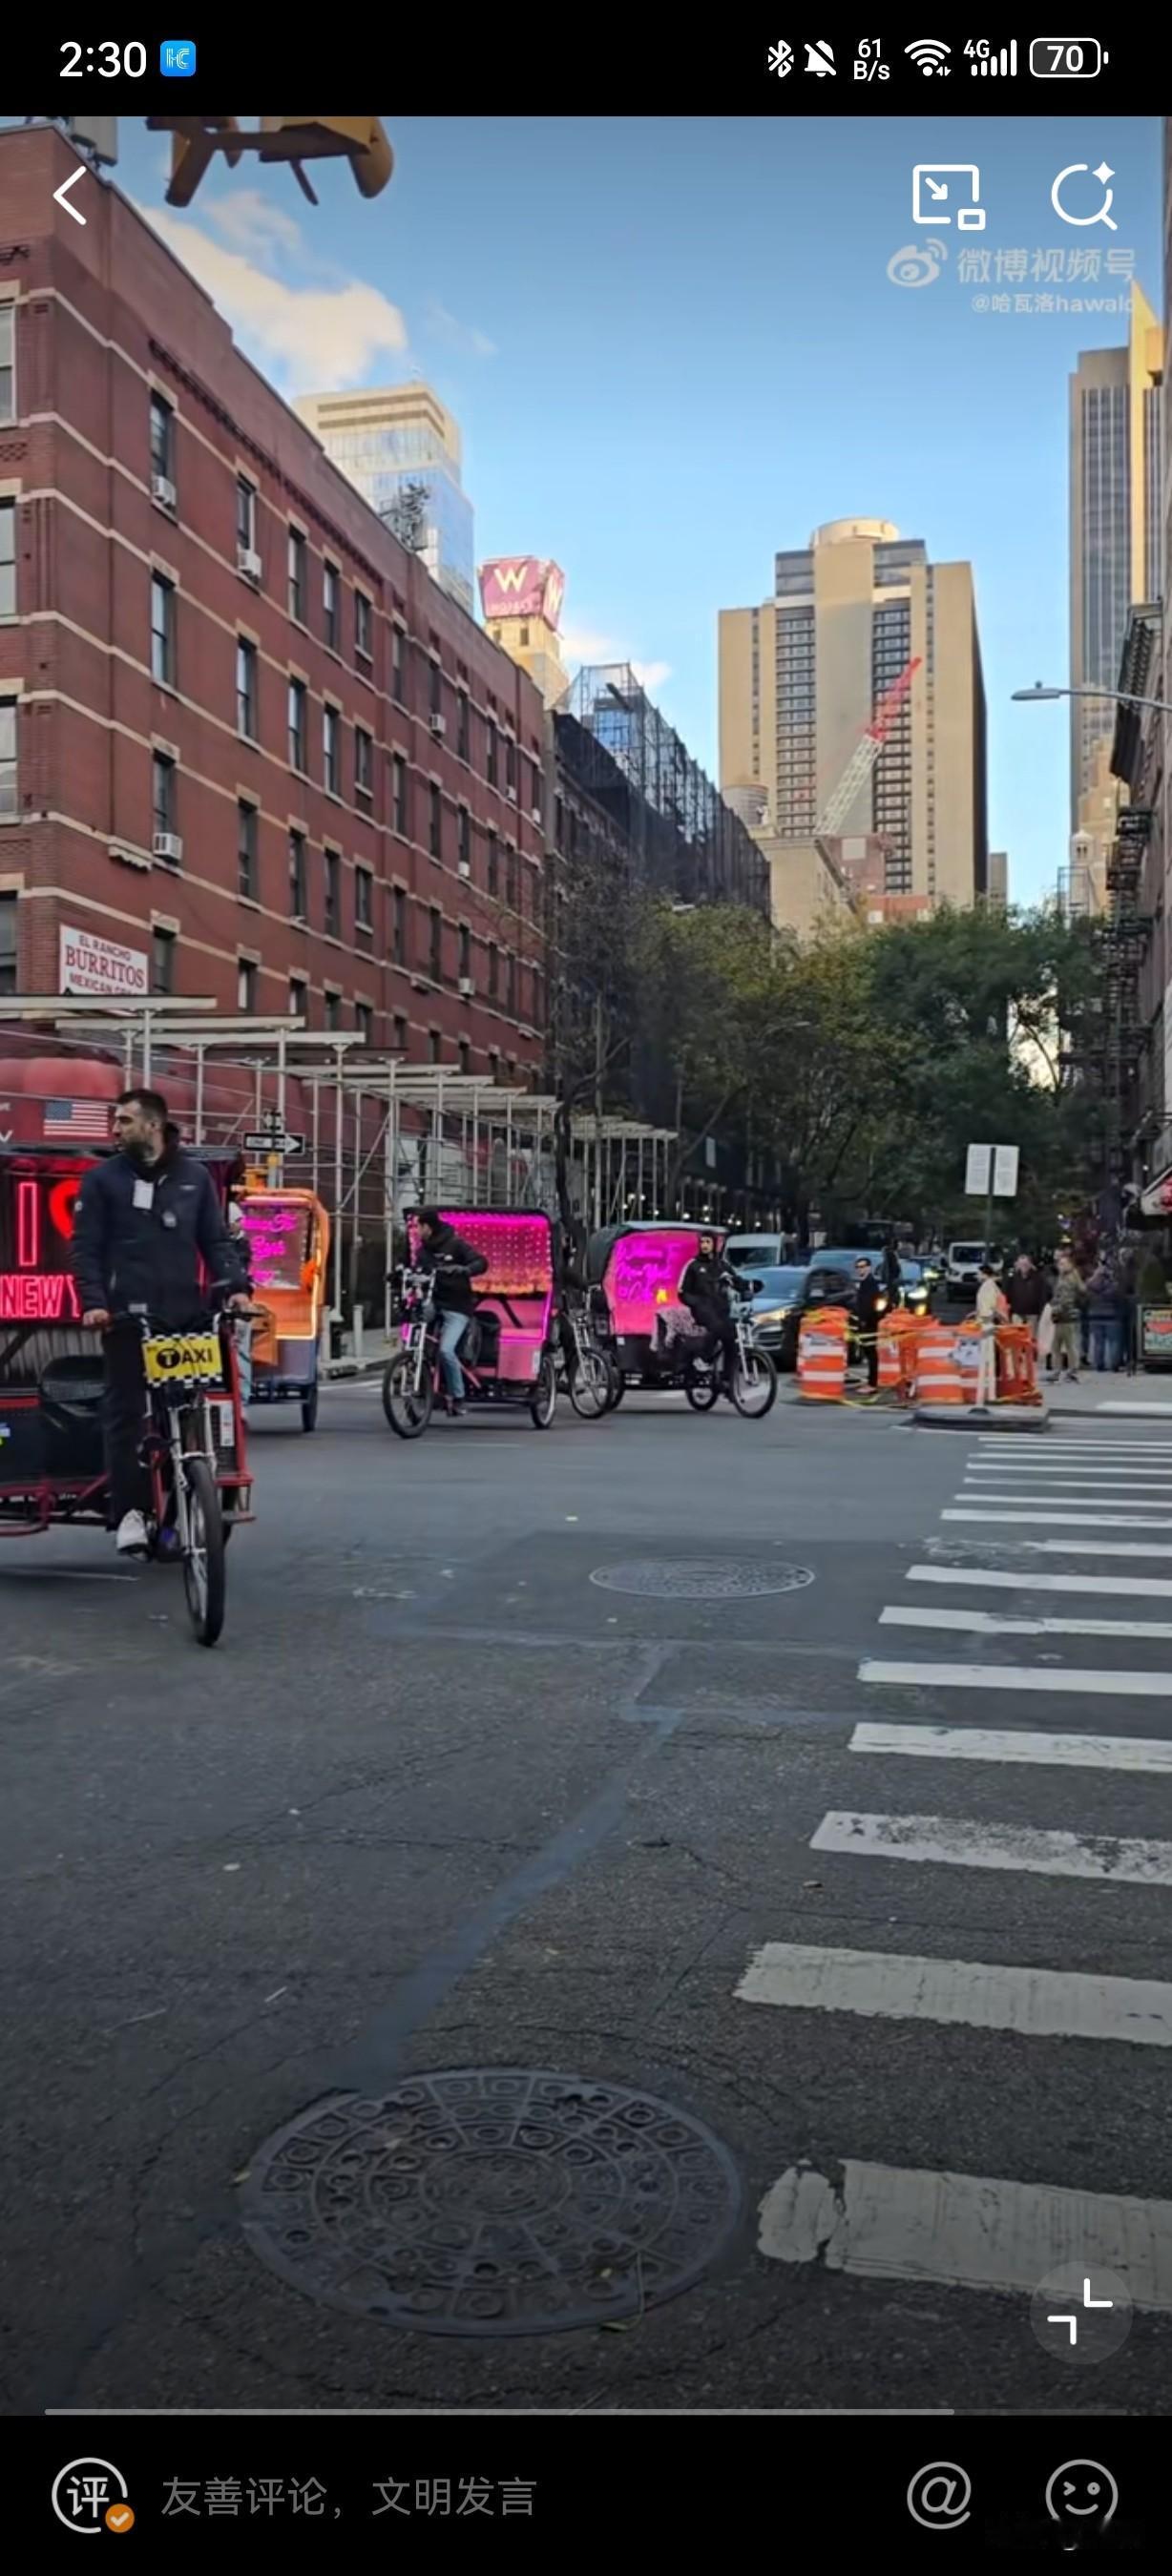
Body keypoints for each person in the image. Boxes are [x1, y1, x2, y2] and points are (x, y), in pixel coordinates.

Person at [72, 1090, 253, 1553]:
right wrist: (94, 1302)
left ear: (153, 1125)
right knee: (125, 1412)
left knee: (194, 1404)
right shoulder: (102, 1181)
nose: (115, 1130)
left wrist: (235, 1287)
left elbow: (215, 1242)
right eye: (116, 1121)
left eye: (125, 1121)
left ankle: (191, 1492)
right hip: (126, 1317)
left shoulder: (193, 1178)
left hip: (184, 1316)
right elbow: (86, 1249)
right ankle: (130, 1511)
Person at [414, 1208, 488, 1416]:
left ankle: (458, 1397)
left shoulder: (456, 1244)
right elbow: (416, 1272)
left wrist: (464, 1270)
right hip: (433, 1303)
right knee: (413, 1326)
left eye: (419, 1226)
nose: (416, 1230)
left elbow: (481, 1262)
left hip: (457, 1306)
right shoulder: (423, 1251)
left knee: (446, 1350)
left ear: (428, 1227)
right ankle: (415, 1369)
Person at [680, 1233, 738, 1379]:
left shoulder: (723, 1265)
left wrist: (749, 1286)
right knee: (717, 1326)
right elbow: (682, 1292)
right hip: (701, 1311)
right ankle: (702, 1358)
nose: (705, 1245)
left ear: (714, 1245)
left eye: (708, 1242)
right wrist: (697, 1303)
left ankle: (727, 1380)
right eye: (702, 1242)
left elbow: (736, 1281)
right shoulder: (693, 1265)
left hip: (721, 1310)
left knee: (732, 1338)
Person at [1049, 1250, 1085, 1383]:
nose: (1060, 1266)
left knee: (1068, 1345)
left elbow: (1065, 1298)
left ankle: (1069, 1371)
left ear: (1070, 1265)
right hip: (1063, 1315)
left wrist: (1056, 1306)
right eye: (1059, 1264)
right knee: (1058, 1345)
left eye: (1063, 1264)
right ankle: (1061, 1371)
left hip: (1066, 1314)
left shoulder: (1069, 1278)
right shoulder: (1064, 1277)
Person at [851, 1257, 888, 1391]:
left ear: (869, 1267)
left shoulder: (870, 1283)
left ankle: (872, 1384)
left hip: (869, 1323)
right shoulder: (864, 1282)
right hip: (865, 1321)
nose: (860, 1269)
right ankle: (871, 1381)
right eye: (858, 1267)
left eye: (863, 1266)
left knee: (871, 1352)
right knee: (868, 1352)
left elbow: (869, 1304)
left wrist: (864, 1320)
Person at [974, 1261, 1007, 1407]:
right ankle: (990, 1391)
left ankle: (990, 1392)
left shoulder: (988, 1286)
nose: (977, 1276)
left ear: (984, 1273)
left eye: (978, 1273)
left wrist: (983, 1319)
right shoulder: (990, 1286)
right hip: (987, 1322)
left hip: (987, 1325)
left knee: (988, 1358)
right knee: (989, 1358)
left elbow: (989, 1306)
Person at [1086, 1257, 1126, 1373]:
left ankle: (1099, 1364)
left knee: (1099, 1342)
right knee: (1114, 1341)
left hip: (1094, 1315)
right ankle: (1114, 1364)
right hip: (1112, 1315)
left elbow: (1086, 1295)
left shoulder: (1090, 1283)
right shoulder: (1113, 1283)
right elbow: (1118, 1296)